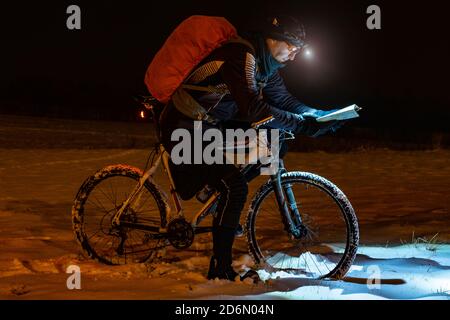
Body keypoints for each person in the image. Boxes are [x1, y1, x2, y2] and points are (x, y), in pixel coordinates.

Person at [158, 15, 343, 281]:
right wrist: (302, 125)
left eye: (299, 49)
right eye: (292, 45)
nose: (295, 53)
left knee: (273, 144)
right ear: (271, 38)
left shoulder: (266, 69)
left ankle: (218, 198)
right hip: (182, 126)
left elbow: (284, 101)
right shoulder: (242, 56)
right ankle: (220, 270)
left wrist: (322, 115)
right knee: (234, 186)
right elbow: (254, 109)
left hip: (206, 127)